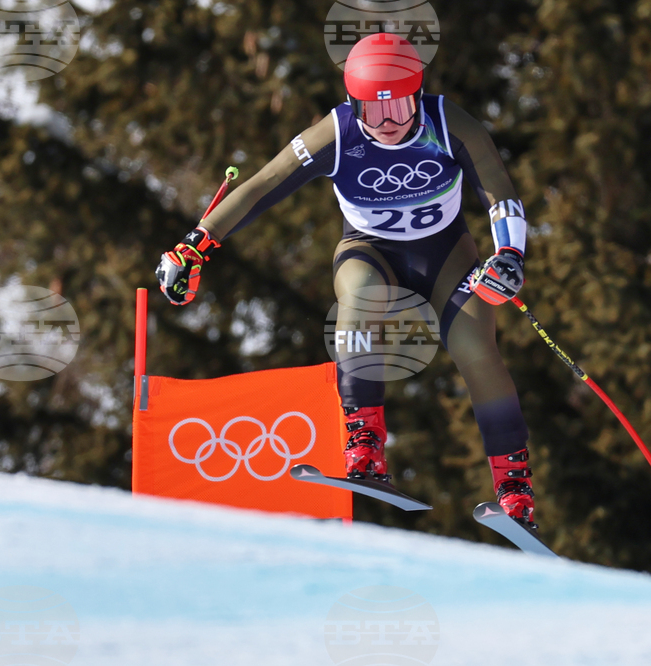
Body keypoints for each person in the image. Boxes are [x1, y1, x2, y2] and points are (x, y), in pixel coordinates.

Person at [156, 33, 537, 527]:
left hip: (446, 255)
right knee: (360, 301)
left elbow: (500, 192)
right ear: (354, 105)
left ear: (418, 95)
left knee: (474, 344)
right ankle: (364, 448)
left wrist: (509, 255)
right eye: (373, 112)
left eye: (400, 108)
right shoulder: (336, 134)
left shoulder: (449, 123)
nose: (388, 124)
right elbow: (263, 185)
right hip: (369, 251)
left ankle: (514, 488)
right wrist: (195, 244)